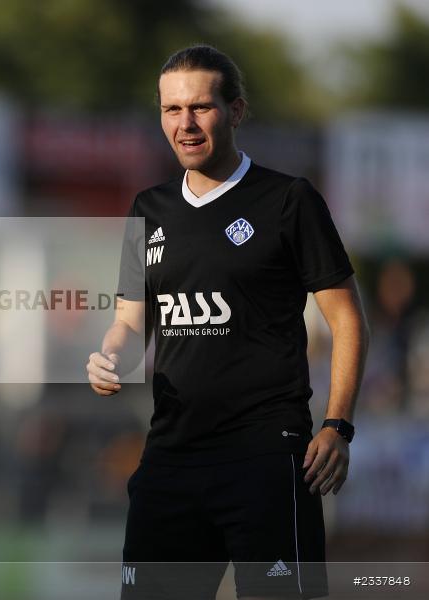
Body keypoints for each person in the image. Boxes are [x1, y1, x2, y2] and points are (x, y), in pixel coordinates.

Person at [86, 45, 369, 600]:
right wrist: (110, 356)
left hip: (265, 457)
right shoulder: (149, 208)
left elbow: (349, 321)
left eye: (200, 107)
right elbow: (130, 321)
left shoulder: (289, 200)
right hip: (171, 457)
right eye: (171, 110)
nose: (185, 124)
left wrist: (337, 426)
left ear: (235, 111)